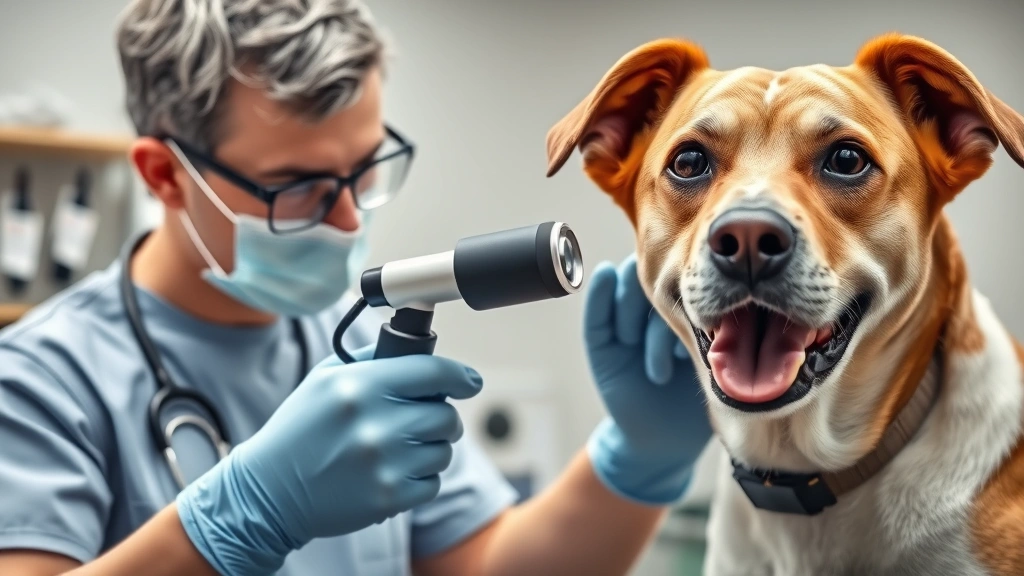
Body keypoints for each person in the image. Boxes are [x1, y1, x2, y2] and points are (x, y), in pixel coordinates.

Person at [0, 1, 713, 575]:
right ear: (162, 175)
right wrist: (237, 519)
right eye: (298, 188)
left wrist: (637, 457)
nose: (346, 218)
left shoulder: (362, 339)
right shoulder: (38, 382)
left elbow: (489, 563)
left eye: (365, 170)